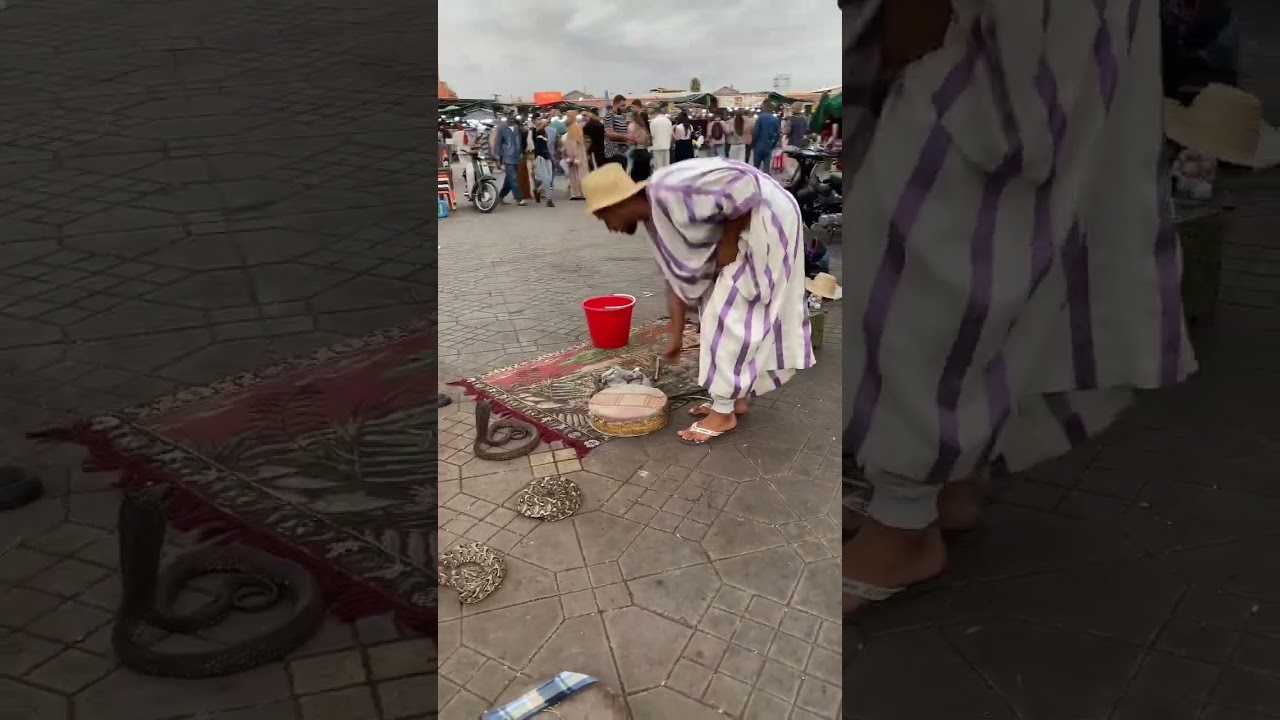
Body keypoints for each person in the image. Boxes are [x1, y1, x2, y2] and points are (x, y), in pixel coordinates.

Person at [840, 0, 1195, 615]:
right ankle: (946, 483)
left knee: (926, 259)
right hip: (1049, 33)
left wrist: (912, 36)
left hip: (990, 36)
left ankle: (903, 527)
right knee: (1011, 242)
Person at [582, 159, 814, 445]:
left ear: (618, 205)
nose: (610, 228)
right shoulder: (657, 221)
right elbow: (677, 279)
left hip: (765, 216)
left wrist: (728, 241)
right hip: (747, 223)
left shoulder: (672, 189)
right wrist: (676, 338)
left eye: (605, 219)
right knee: (717, 312)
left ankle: (723, 413)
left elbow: (744, 185)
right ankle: (733, 401)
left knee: (729, 317)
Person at [494, 117, 526, 206]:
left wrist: (521, 152)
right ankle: (519, 198)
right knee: (514, 177)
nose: (511, 118)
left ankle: (500, 196)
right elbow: (498, 142)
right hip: (507, 156)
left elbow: (519, 141)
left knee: (509, 178)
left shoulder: (516, 128)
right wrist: (497, 156)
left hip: (516, 156)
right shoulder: (501, 128)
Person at [561, 110, 589, 200]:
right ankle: (577, 193)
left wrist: (572, 156)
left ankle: (579, 193)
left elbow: (574, 143)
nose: (567, 119)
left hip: (575, 154)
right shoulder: (573, 127)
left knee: (578, 173)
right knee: (575, 173)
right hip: (575, 154)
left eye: (568, 116)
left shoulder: (574, 128)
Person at [751, 102, 781, 173]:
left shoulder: (760, 117)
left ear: (764, 107)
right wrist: (773, 144)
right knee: (766, 169)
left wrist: (753, 143)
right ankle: (766, 182)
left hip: (759, 145)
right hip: (768, 145)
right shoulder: (775, 119)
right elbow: (778, 134)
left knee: (756, 169)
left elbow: (756, 132)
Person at [603, 95, 631, 166]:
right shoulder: (609, 115)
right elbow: (610, 134)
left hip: (623, 152)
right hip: (613, 152)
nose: (624, 107)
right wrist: (627, 137)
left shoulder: (623, 116)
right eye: (623, 105)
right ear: (615, 104)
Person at [532, 121, 555, 207]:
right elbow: (542, 124)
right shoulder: (534, 132)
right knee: (546, 178)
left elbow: (548, 146)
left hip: (547, 157)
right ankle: (549, 200)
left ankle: (537, 190)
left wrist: (551, 157)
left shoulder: (546, 134)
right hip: (540, 157)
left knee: (549, 179)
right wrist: (549, 116)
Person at [628, 109, 652, 181]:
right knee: (644, 173)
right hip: (645, 152)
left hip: (638, 152)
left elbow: (635, 141)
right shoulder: (645, 130)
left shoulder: (637, 130)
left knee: (636, 173)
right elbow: (648, 141)